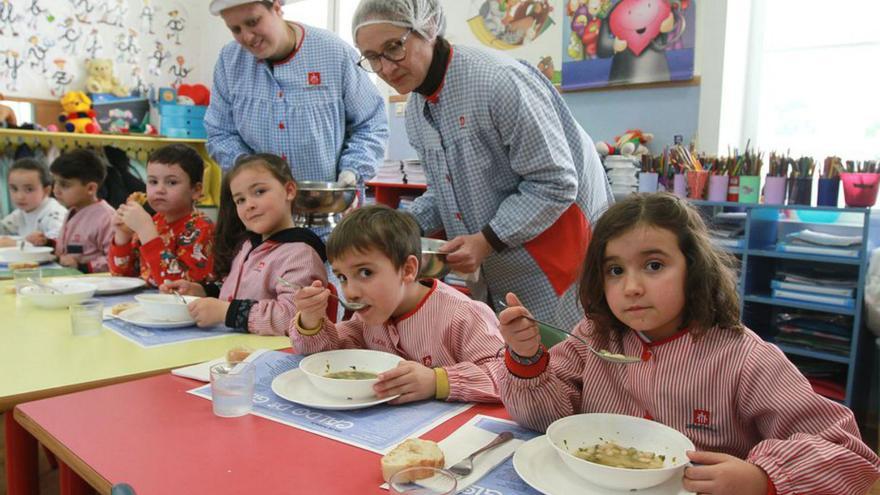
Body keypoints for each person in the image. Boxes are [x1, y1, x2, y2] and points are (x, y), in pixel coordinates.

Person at [495, 193, 880, 495]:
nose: (631, 287)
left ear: (694, 268)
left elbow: (848, 452)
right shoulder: (594, 337)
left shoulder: (744, 358)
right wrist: (527, 359)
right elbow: (544, 422)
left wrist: (762, 478)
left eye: (654, 265)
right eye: (615, 270)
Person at [352, 0, 613, 329]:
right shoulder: (418, 111)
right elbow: (444, 190)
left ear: (428, 28)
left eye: (394, 47)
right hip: (499, 269)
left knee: (566, 363)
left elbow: (555, 182)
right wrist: (396, 227)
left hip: (557, 261)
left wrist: (487, 239)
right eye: (373, 57)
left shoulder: (498, 82)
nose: (386, 68)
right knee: (518, 367)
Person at [292, 205, 503, 405]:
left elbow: (507, 377)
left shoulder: (463, 315)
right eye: (342, 277)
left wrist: (436, 381)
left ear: (408, 269)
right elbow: (324, 357)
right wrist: (310, 320)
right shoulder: (366, 318)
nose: (350, 292)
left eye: (365, 272)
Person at [205, 0, 388, 194]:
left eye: (253, 22)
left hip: (329, 209)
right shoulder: (229, 62)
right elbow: (220, 132)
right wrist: (248, 167)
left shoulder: (333, 53)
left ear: (276, 7)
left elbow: (371, 124)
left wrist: (353, 170)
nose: (247, 37)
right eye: (236, 29)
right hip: (261, 211)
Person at [161, 154, 328, 335]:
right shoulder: (248, 244)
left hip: (271, 356)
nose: (249, 205)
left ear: (289, 191)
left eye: (259, 192)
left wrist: (226, 312)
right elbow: (239, 291)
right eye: (240, 200)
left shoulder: (300, 255)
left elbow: (293, 318)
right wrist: (202, 291)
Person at [109, 144, 215, 287]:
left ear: (196, 190)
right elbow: (122, 278)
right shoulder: (155, 221)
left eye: (172, 182)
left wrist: (146, 230)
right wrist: (122, 235)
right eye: (153, 181)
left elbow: (178, 287)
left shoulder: (201, 228)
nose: (159, 190)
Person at [49, 150, 115, 273]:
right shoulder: (73, 210)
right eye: (55, 182)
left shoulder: (107, 218)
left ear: (90, 188)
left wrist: (82, 266)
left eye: (64, 185)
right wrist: (49, 243)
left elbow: (115, 259)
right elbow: (70, 247)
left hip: (95, 284)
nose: (55, 190)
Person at [0, 158, 67, 248]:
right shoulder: (20, 212)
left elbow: (57, 243)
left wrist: (17, 243)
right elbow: (3, 228)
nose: (19, 196)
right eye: (14, 189)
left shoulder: (54, 213)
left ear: (46, 190)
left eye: (29, 189)